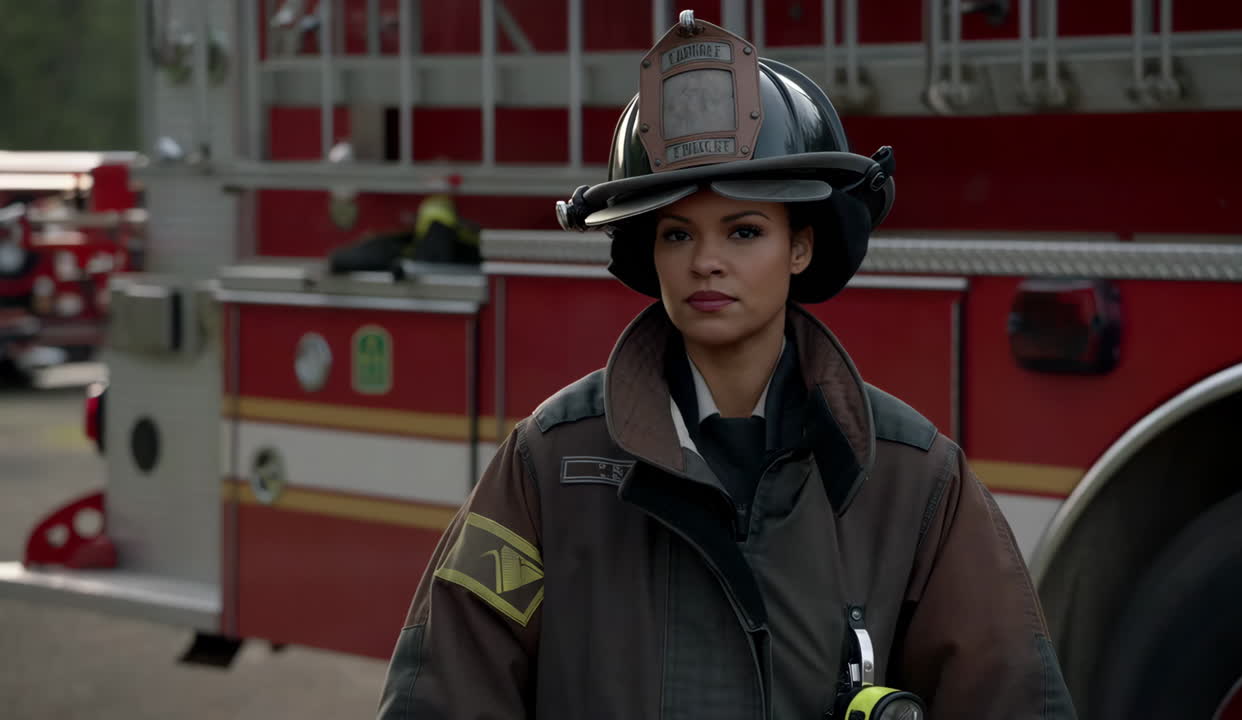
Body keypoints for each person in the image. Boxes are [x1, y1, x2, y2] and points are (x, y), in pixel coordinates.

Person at [378, 11, 1076, 720]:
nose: (706, 260)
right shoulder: (552, 466)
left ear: (801, 248)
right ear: (650, 253)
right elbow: (445, 692)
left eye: (744, 230)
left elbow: (1010, 695)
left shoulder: (912, 479)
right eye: (677, 232)